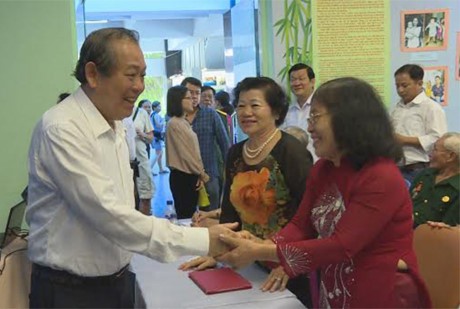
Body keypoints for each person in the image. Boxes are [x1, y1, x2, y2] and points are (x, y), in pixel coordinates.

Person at [26, 27, 237, 309]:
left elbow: (124, 209)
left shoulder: (115, 123)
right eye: (131, 75)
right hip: (71, 292)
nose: (139, 86)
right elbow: (109, 215)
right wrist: (203, 239)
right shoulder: (63, 128)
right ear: (93, 74)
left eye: (143, 75)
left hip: (116, 281)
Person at [217, 77, 432, 308]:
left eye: (316, 117)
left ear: (348, 120)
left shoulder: (381, 176)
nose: (309, 127)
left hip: (380, 292)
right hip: (334, 286)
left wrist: (261, 251)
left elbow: (343, 245)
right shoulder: (324, 168)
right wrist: (264, 242)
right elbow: (301, 225)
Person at [182, 77, 313, 306]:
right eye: (241, 105)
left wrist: (288, 263)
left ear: (276, 110)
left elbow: (309, 217)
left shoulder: (292, 152)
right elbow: (230, 215)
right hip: (247, 262)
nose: (246, 112)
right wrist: (216, 252)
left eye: (255, 105)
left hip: (285, 266)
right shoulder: (235, 153)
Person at [391, 64, 447, 183]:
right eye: (397, 86)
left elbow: (438, 140)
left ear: (419, 83)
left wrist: (405, 140)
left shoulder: (431, 108)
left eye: (405, 85)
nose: (400, 90)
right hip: (396, 167)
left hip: (418, 169)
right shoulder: (397, 108)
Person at [181, 77, 231, 211]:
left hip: (209, 175)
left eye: (197, 93)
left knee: (211, 215)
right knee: (186, 217)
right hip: (184, 175)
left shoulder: (211, 115)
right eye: (190, 92)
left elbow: (225, 144)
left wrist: (229, 172)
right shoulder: (175, 118)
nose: (194, 96)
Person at [165, 85, 210, 219]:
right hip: (183, 176)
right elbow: (187, 155)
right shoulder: (175, 124)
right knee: (187, 217)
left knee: (191, 215)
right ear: (178, 100)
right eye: (189, 97)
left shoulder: (182, 122)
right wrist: (202, 174)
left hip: (190, 175)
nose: (193, 100)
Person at [411, 133, 459, 228]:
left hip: (429, 238)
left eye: (435, 150)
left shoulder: (457, 188)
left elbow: (449, 229)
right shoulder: (425, 174)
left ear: (451, 156)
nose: (430, 154)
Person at [281, 63, 318, 161]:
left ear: (312, 81)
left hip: (317, 164)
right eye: (293, 80)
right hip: (293, 165)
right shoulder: (286, 111)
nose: (297, 83)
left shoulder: (322, 107)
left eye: (301, 79)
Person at [133, 99, 154, 215]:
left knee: (146, 194)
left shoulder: (142, 113)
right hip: (124, 161)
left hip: (141, 159)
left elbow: (151, 138)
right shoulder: (114, 112)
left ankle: (145, 224)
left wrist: (142, 134)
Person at [150, 100, 167, 175]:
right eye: (158, 106)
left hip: (156, 136)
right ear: (154, 107)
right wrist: (163, 121)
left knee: (160, 153)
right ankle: (149, 169)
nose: (160, 108)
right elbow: (158, 125)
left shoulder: (153, 115)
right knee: (158, 153)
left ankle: (161, 169)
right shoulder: (155, 115)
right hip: (156, 136)